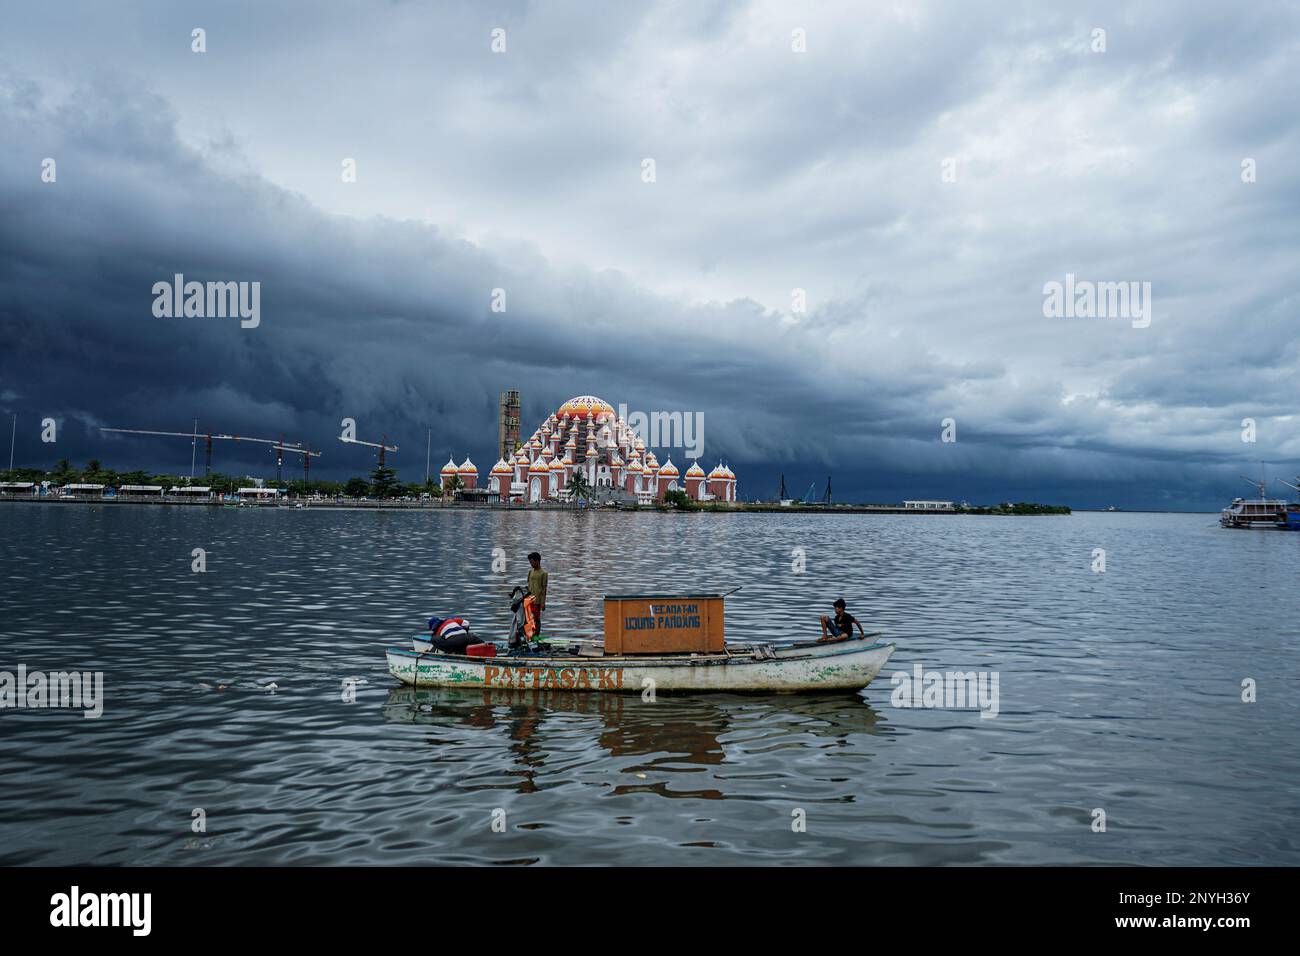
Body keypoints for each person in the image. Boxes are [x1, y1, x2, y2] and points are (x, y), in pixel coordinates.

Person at [525, 551, 548, 638]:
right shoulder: (530, 572)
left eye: (532, 562)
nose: (531, 564)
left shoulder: (543, 573)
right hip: (529, 600)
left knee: (537, 619)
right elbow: (528, 586)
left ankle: (537, 635)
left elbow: (544, 589)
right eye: (530, 562)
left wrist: (543, 603)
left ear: (537, 561)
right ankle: (530, 635)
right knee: (529, 619)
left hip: (537, 600)